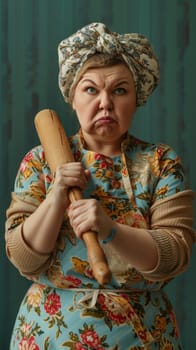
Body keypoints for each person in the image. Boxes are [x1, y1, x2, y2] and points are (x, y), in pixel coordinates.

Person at [5, 22, 195, 349]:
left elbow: (174, 254)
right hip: (48, 335)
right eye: (91, 89)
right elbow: (23, 259)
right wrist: (56, 196)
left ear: (137, 98)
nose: (105, 103)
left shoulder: (161, 162)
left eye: (120, 90)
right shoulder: (39, 161)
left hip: (142, 336)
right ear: (72, 98)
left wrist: (110, 229)